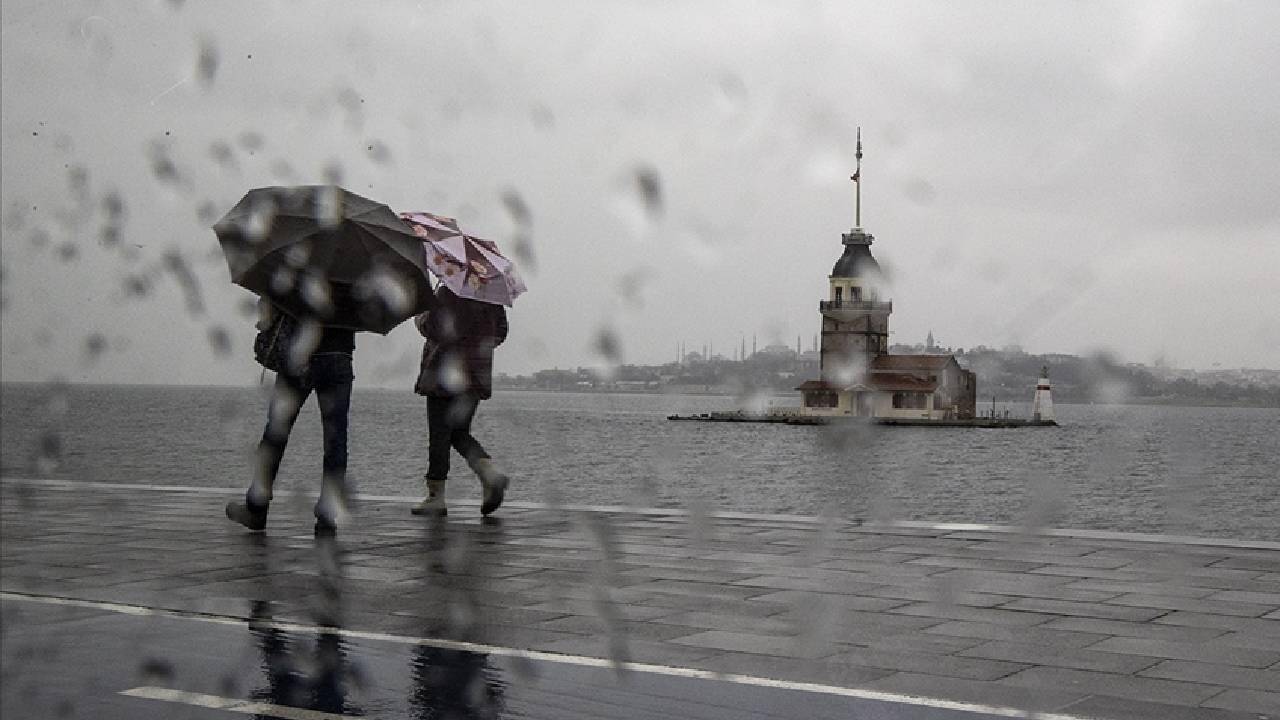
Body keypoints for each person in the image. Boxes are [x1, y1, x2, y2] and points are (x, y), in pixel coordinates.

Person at [226, 298, 356, 535]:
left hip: (300, 355)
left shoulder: (302, 263)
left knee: (276, 432)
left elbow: (275, 300)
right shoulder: (357, 269)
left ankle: (257, 507)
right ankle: (327, 516)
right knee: (336, 439)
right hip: (338, 356)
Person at [411, 285, 510, 517]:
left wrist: (420, 317)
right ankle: (489, 475)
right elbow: (501, 332)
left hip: (445, 375)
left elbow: (435, 327)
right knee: (458, 432)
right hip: (475, 376)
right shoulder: (490, 295)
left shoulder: (448, 292)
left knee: (439, 434)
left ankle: (436, 496)